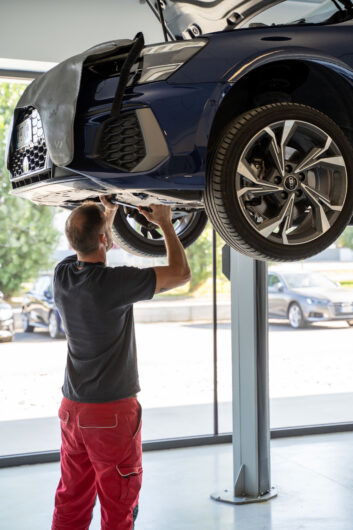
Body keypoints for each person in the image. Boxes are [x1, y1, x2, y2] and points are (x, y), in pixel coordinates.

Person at [51, 197, 191, 530]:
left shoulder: (63, 277)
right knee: (118, 505)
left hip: (73, 410)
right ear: (104, 241)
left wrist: (108, 217)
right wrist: (166, 223)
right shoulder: (115, 284)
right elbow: (181, 274)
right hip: (110, 414)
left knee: (71, 498)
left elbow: (87, 243)